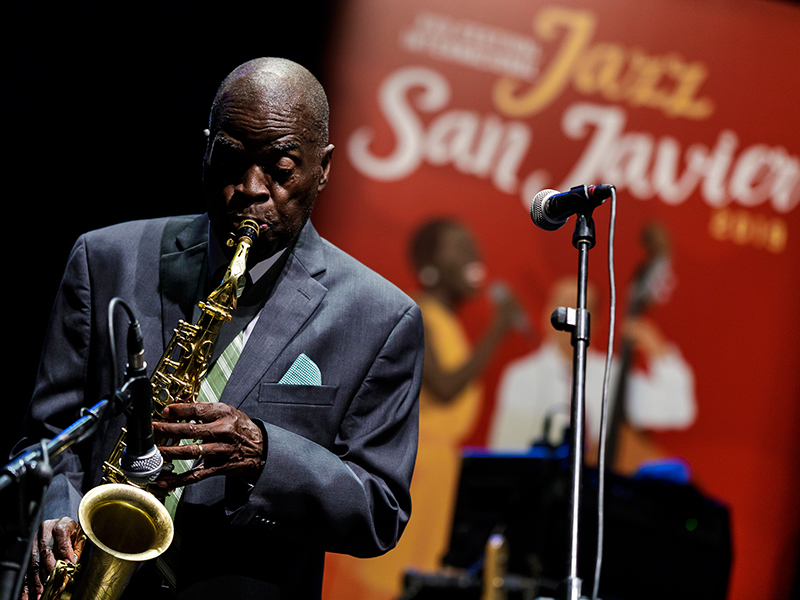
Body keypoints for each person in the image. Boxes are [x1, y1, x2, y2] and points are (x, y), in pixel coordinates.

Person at [17, 57, 424, 599]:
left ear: (323, 168)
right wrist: (57, 511)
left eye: (281, 168)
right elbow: (51, 434)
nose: (250, 189)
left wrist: (265, 454)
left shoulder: (381, 318)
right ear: (206, 149)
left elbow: (380, 511)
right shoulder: (103, 259)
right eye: (231, 159)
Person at [324, 219, 524, 600]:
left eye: (473, 246)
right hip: (413, 466)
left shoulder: (447, 321)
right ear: (429, 263)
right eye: (459, 246)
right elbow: (446, 388)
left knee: (418, 579)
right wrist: (499, 327)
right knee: (387, 578)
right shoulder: (418, 314)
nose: (473, 254)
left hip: (437, 475)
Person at [490, 276, 696, 466]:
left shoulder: (612, 374)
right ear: (547, 314)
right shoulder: (522, 376)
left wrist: (658, 350)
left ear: (596, 322)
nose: (570, 317)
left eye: (580, 308)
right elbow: (506, 449)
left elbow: (678, 410)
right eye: (563, 306)